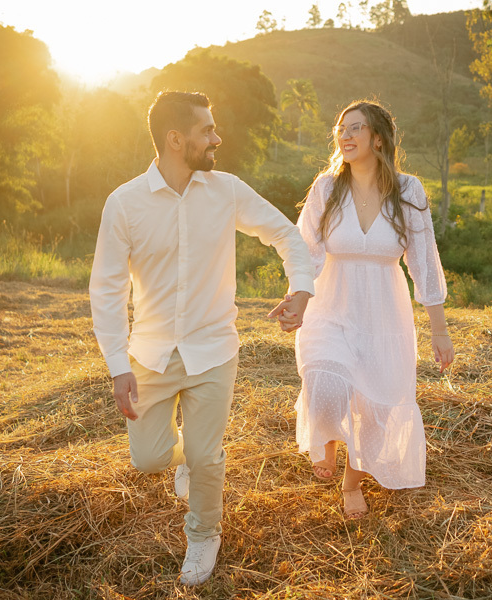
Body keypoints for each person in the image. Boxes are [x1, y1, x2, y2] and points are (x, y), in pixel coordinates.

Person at [89, 91, 314, 585]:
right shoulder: (124, 203)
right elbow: (106, 290)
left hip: (214, 349)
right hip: (149, 354)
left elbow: (286, 234)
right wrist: (117, 366)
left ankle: (204, 533)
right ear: (176, 139)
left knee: (207, 457)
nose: (217, 138)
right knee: (148, 457)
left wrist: (301, 289)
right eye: (206, 130)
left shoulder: (226, 190)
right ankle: (184, 457)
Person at [291, 99, 454, 519]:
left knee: (377, 409)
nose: (344, 135)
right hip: (330, 305)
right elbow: (305, 250)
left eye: (355, 128)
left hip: (384, 313)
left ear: (377, 139)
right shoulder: (326, 189)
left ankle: (351, 484)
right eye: (340, 128)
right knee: (324, 382)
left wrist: (439, 330)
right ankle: (327, 440)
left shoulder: (408, 191)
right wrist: (298, 298)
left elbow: (424, 262)